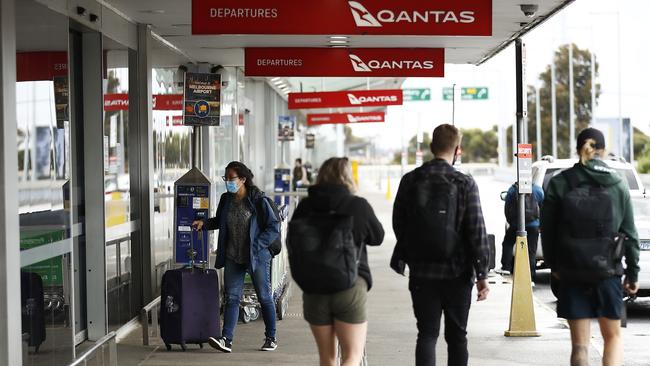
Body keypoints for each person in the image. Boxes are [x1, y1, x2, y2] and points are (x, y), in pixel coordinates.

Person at [391, 123, 490, 366]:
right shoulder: (464, 183)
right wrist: (482, 275)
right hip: (458, 273)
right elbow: (476, 230)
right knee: (457, 337)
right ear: (458, 150)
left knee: (427, 334)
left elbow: (398, 223)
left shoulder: (410, 180)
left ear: (431, 147)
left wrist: (411, 253)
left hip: (422, 272)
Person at [541, 128, 640, 366]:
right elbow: (630, 234)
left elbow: (549, 232)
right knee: (613, 338)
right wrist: (633, 274)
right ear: (603, 151)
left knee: (579, 347)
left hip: (572, 271)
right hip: (607, 273)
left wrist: (555, 266)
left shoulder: (559, 183)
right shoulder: (617, 183)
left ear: (577, 150)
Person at [291, 157, 384, 366]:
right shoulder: (357, 205)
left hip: (314, 288)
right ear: (347, 176)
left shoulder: (305, 206)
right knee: (352, 356)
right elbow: (377, 237)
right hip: (350, 285)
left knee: (327, 358)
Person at [192, 161, 280, 353]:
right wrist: (204, 224)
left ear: (242, 179)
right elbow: (220, 221)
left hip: (256, 257)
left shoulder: (257, 200)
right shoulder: (226, 200)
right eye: (226, 178)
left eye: (231, 178)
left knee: (264, 296)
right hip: (233, 255)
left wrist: (257, 246)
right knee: (231, 298)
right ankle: (226, 339)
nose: (228, 182)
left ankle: (271, 337)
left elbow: (274, 227)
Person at [499, 181, 544, 281]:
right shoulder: (538, 190)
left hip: (517, 225)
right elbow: (543, 208)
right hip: (534, 225)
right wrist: (540, 224)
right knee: (531, 251)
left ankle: (506, 268)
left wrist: (511, 222)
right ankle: (531, 275)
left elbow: (507, 209)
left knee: (508, 243)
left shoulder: (512, 190)